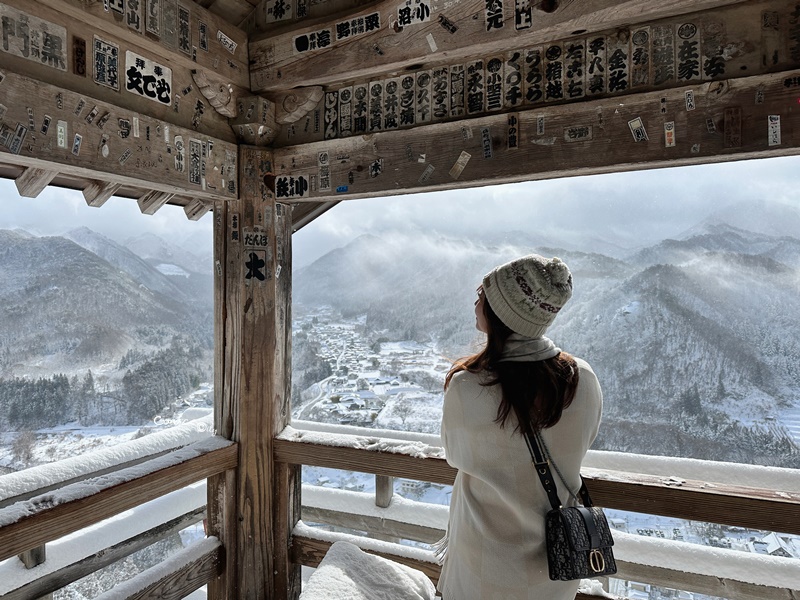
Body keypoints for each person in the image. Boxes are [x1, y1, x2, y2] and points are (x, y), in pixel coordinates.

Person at [437, 254, 603, 600]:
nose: (475, 299)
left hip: (483, 564)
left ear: (501, 311)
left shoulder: (470, 387)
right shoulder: (582, 380)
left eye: (483, 293)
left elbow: (455, 455)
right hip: (556, 566)